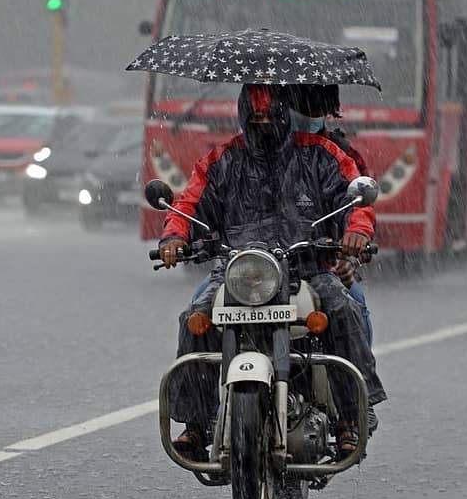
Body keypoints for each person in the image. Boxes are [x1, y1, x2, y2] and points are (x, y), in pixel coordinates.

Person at [159, 83, 386, 460]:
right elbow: (190, 204)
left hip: (307, 268)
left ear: (284, 112)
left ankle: (351, 417)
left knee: (344, 312)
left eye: (270, 114)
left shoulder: (321, 155)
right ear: (243, 114)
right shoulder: (222, 160)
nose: (262, 122)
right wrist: (175, 236)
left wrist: (356, 232)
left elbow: (352, 201)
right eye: (255, 115)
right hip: (238, 271)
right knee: (194, 319)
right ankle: (196, 425)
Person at [284, 83, 373, 345]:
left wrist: (352, 249)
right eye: (301, 105)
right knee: (198, 310)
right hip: (254, 272)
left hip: (322, 266)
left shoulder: (342, 155)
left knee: (354, 308)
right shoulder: (247, 154)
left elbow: (359, 208)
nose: (309, 113)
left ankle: (360, 384)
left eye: (317, 106)